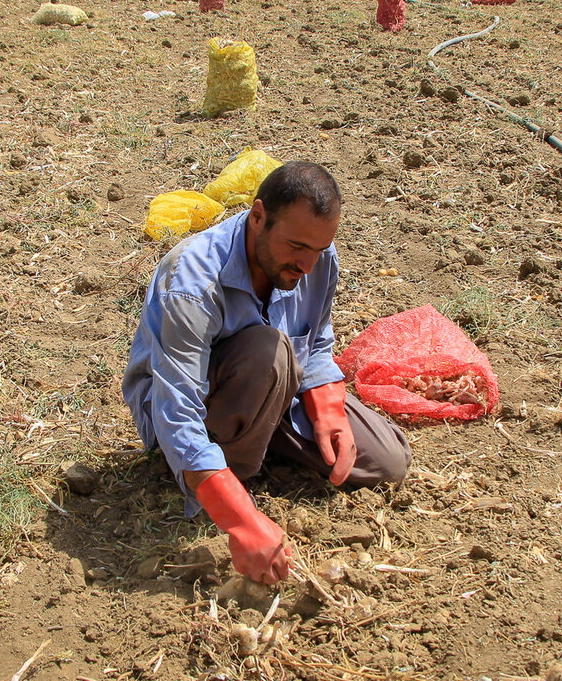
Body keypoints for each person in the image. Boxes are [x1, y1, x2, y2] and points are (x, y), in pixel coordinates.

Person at [122, 162, 411, 584]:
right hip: (194, 414)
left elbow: (315, 340)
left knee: (385, 458)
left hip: (275, 390)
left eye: (319, 250)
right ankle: (222, 480)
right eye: (297, 247)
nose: (309, 265)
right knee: (269, 350)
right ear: (257, 216)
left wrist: (327, 406)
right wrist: (241, 522)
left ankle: (255, 447)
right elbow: (177, 414)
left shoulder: (313, 254)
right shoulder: (193, 279)